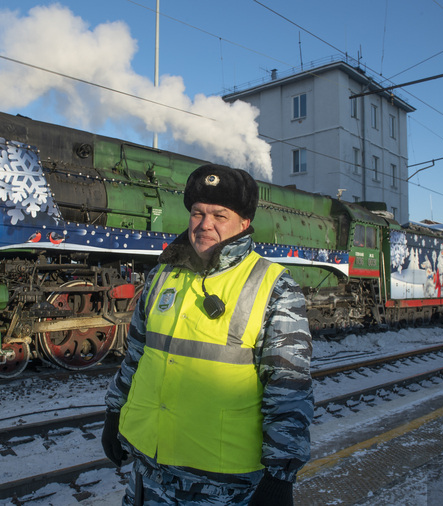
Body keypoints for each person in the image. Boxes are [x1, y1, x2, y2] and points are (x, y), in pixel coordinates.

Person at [103, 163, 313, 505]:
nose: (205, 224)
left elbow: (288, 386)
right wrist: (114, 412)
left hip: (222, 484)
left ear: (244, 223)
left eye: (220, 215)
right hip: (149, 472)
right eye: (198, 213)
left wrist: (280, 475)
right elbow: (137, 355)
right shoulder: (162, 276)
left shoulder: (274, 286)